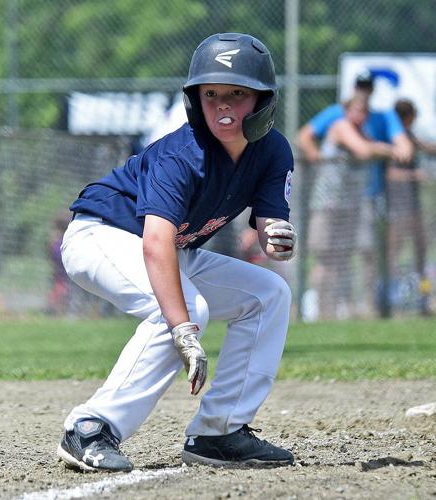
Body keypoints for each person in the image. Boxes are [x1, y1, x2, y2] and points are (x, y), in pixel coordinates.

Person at [56, 33, 297, 472]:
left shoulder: (273, 151)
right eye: (211, 95)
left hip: (169, 249)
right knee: (186, 310)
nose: (223, 106)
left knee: (268, 293)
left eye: (237, 94)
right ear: (194, 100)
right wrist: (182, 327)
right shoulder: (181, 156)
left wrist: (276, 235)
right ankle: (89, 427)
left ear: (263, 100)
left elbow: (267, 226)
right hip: (101, 236)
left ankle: (219, 432)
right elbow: (155, 243)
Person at [307, 94, 396, 319]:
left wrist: (379, 147)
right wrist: (386, 149)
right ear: (347, 111)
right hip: (327, 205)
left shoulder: (362, 133)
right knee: (325, 260)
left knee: (342, 260)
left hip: (347, 207)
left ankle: (336, 311)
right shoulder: (341, 126)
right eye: (356, 110)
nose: (361, 115)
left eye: (365, 111)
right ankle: (320, 312)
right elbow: (364, 151)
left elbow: (370, 147)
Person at [387, 98, 436, 315]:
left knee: (420, 251)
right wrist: (415, 175)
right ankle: (391, 299)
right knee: (394, 254)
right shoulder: (394, 139)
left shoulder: (410, 136)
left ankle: (423, 298)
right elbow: (390, 172)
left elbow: (425, 147)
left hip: (414, 207)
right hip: (397, 207)